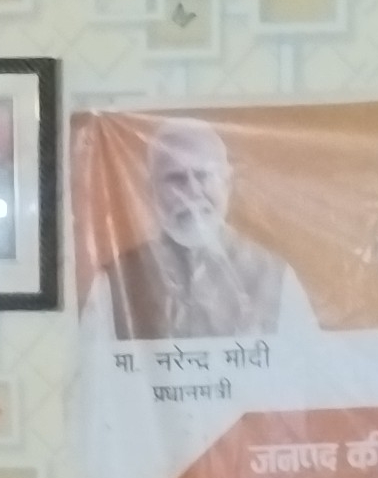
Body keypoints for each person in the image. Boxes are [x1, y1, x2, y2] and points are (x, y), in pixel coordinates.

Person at [85, 118, 317, 344]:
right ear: (150, 190)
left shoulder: (275, 278)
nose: (192, 191)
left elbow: (304, 365)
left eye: (203, 175)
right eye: (176, 179)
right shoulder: (114, 284)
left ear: (227, 184)